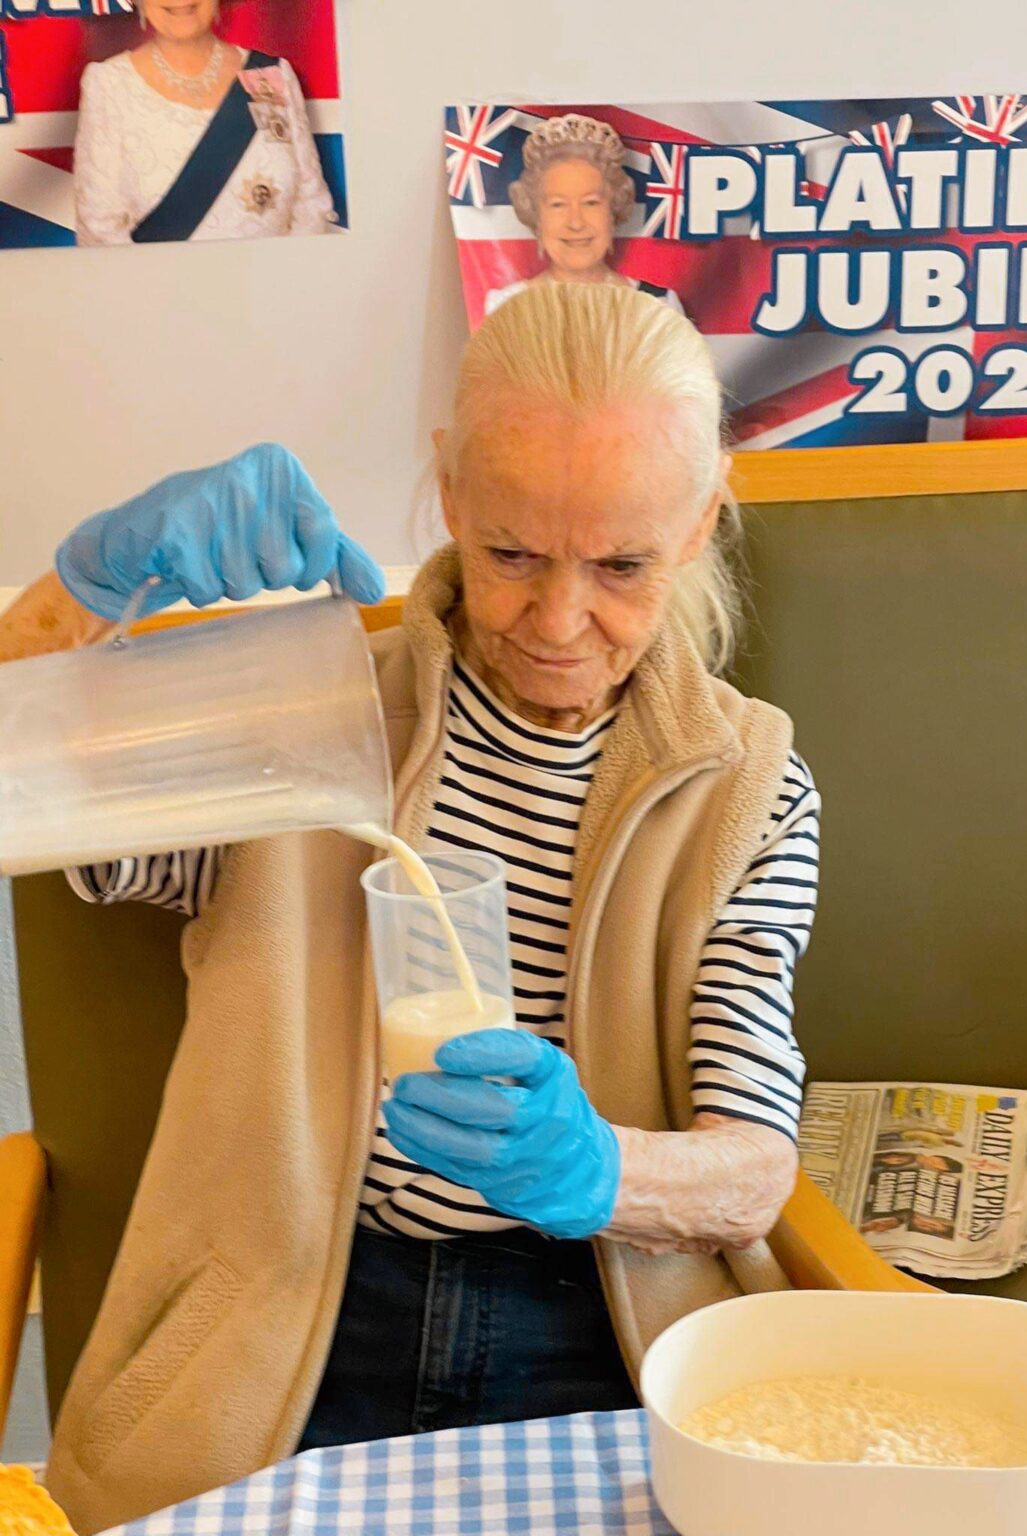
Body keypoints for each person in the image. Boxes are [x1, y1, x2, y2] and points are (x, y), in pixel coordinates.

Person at [1, 286, 819, 1535]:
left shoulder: (746, 788)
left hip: (602, 1322)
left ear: (701, 520)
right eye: (511, 555)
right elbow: (23, 782)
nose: (559, 622)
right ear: (449, 492)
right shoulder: (297, 716)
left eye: (621, 566)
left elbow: (752, 1169)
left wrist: (600, 1169)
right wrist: (80, 592)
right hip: (300, 1318)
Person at [73, 0, 338, 246]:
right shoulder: (109, 84)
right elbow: (99, 230)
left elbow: (311, 204)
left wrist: (286, 277)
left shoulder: (270, 75)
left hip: (276, 278)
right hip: (162, 282)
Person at [484, 114, 685, 316]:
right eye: (558, 205)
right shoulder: (504, 307)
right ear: (536, 216)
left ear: (613, 210)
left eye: (591, 203)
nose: (576, 223)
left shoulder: (660, 306)